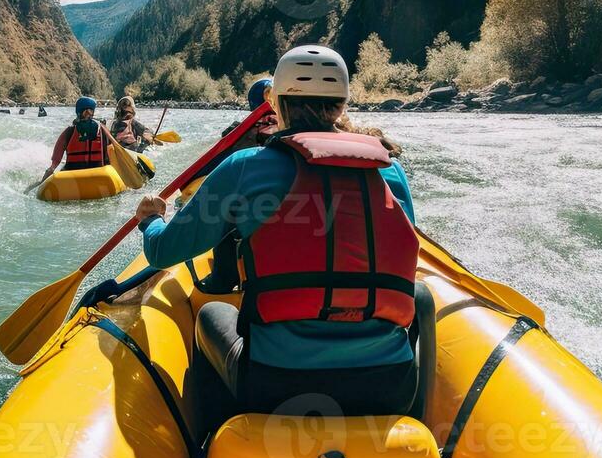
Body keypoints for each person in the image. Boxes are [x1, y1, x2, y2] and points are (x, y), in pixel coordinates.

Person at [132, 46, 428, 418]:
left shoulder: (245, 167)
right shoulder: (389, 171)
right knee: (422, 297)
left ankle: (205, 447)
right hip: (389, 386)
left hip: (276, 387)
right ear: (342, 105)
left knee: (211, 314)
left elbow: (161, 252)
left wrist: (150, 220)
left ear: (276, 104)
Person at [40, 96, 120, 185]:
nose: (88, 114)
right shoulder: (69, 132)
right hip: (73, 172)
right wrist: (48, 175)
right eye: (85, 111)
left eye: (91, 111)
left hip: (99, 172)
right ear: (79, 112)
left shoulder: (101, 130)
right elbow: (55, 162)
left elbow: (115, 149)